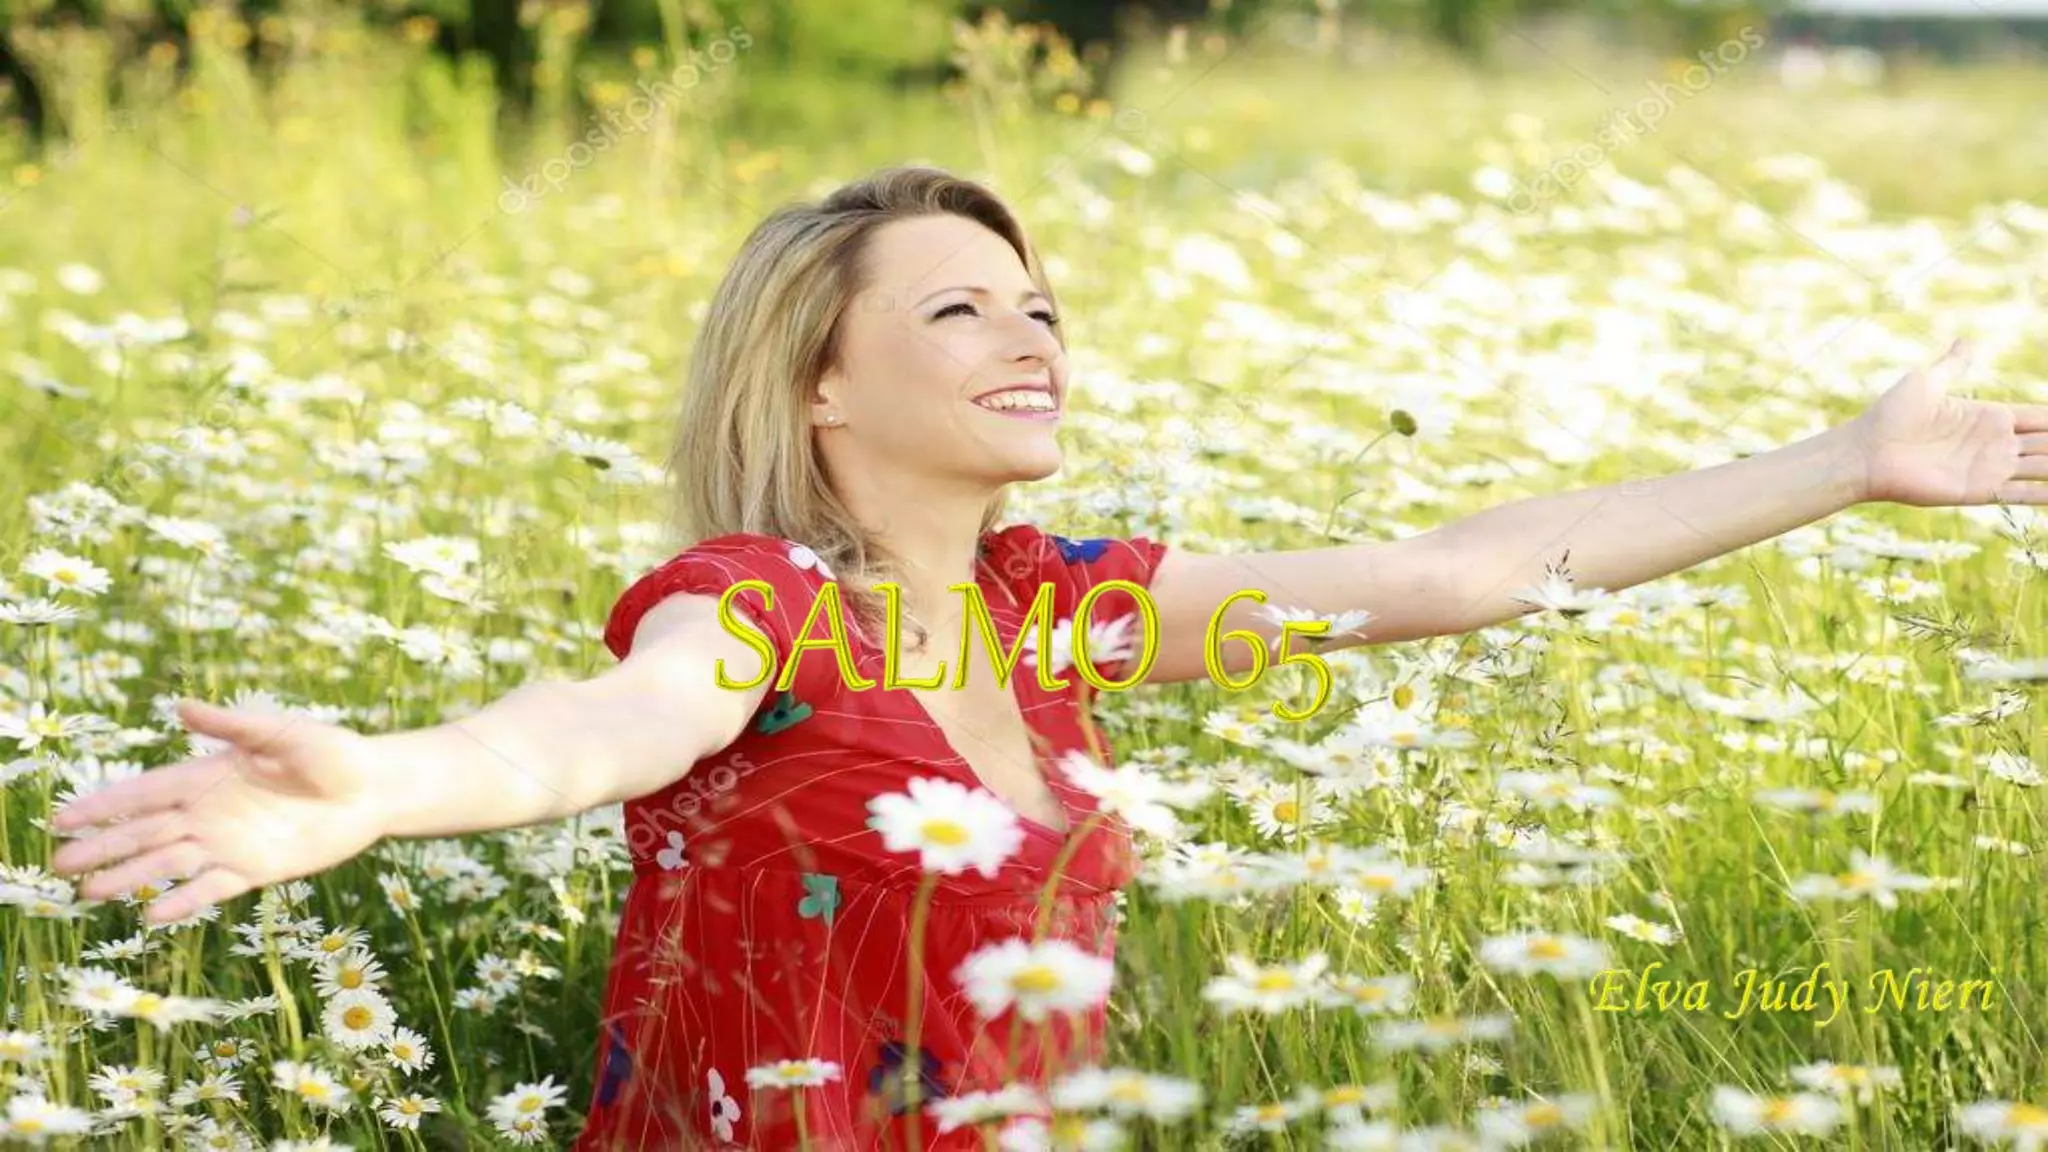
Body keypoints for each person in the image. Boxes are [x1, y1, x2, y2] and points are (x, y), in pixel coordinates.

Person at [42, 164, 2048, 1150]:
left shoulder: (1057, 605)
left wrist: (1847, 466)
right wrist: (381, 786)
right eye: (959, 312)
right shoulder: (756, 604)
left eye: (1041, 307)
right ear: (819, 386)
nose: (1033, 339)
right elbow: (589, 734)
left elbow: (1452, 571)